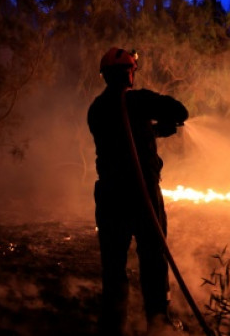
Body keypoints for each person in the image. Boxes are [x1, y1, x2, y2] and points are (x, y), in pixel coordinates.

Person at [87, 47, 189, 336]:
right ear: (130, 74)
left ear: (105, 76)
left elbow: (121, 135)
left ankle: (113, 326)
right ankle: (158, 323)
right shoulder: (139, 100)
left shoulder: (96, 109)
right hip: (142, 195)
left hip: (110, 197)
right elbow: (181, 111)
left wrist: (153, 131)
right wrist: (163, 124)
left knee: (114, 265)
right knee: (154, 260)